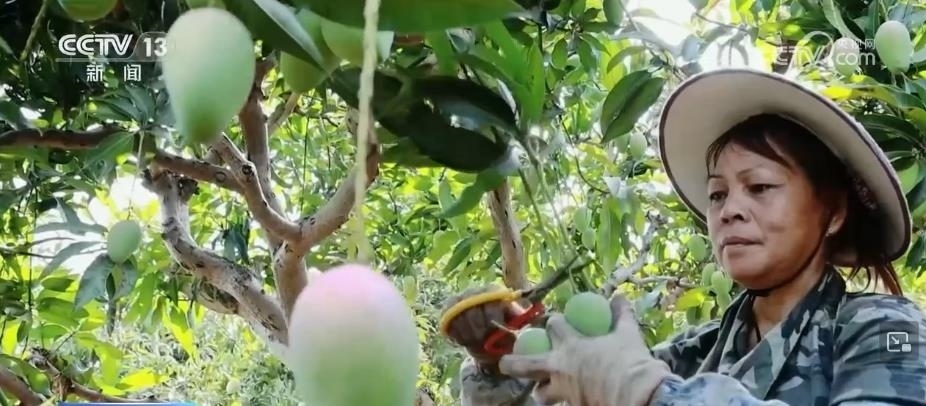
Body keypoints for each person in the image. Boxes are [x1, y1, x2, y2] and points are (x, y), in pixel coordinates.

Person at [439, 68, 926, 405]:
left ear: (834, 212)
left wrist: (649, 392)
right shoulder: (696, 351)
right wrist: (495, 364)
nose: (730, 210)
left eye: (760, 187)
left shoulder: (885, 329)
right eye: (717, 195)